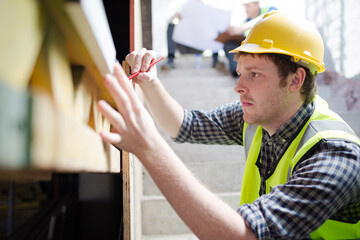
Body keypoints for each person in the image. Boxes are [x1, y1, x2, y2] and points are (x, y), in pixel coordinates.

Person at [98, 11, 360, 239]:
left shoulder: (335, 155)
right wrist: (150, 82)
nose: (238, 87)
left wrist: (150, 148)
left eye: (254, 74)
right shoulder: (258, 118)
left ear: (295, 80)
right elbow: (184, 125)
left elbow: (244, 236)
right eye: (240, 73)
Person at [216, 0, 277, 77]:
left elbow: (272, 15)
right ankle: (238, 72)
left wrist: (243, 27)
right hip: (251, 48)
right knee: (230, 44)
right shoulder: (246, 21)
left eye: (248, 6)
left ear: (257, 4)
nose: (246, 9)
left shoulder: (269, 10)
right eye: (244, 7)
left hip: (266, 48)